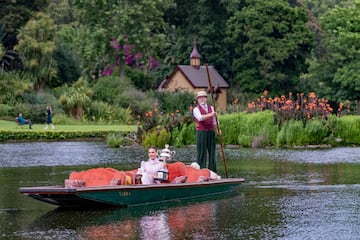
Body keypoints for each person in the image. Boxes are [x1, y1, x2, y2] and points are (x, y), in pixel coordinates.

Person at [192, 90, 219, 173]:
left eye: (203, 97)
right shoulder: (196, 109)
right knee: (201, 153)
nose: (202, 99)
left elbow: (215, 121)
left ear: (206, 98)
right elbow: (200, 118)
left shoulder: (211, 108)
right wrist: (211, 114)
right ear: (198, 100)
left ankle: (212, 171)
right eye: (200, 98)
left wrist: (218, 129)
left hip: (211, 131)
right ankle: (201, 171)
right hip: (201, 132)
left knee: (212, 152)